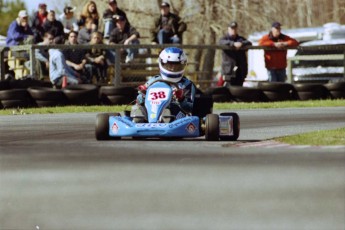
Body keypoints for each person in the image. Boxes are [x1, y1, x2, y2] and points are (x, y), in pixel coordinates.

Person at [135, 47, 196, 121]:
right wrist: (143, 95)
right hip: (152, 112)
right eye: (170, 65)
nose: (173, 68)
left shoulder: (186, 84)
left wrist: (181, 99)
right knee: (138, 109)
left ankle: (166, 120)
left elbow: (190, 108)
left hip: (178, 117)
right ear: (162, 63)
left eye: (176, 65)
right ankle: (138, 121)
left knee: (170, 109)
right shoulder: (153, 81)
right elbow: (138, 100)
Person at [219, 21, 252, 86]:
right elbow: (221, 42)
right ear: (228, 29)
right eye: (232, 29)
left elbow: (249, 43)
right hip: (229, 70)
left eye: (235, 29)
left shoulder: (240, 39)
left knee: (239, 88)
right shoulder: (224, 39)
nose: (233, 30)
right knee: (228, 88)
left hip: (240, 69)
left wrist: (241, 44)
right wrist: (233, 44)